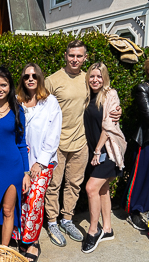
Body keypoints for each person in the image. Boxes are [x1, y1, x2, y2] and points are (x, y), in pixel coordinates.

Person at [44, 40, 122, 247]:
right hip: (57, 143)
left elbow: (105, 97)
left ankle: (67, 219)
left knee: (74, 185)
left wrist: (116, 110)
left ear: (85, 57)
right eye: (72, 55)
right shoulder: (52, 80)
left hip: (81, 144)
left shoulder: (88, 78)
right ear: (65, 55)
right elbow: (34, 102)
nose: (75, 59)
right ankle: (52, 222)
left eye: (79, 56)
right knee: (53, 185)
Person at [16, 63, 62, 262]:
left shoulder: (50, 102)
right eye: (26, 76)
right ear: (22, 80)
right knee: (20, 200)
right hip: (20, 162)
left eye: (34, 75)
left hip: (42, 161)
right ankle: (19, 238)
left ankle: (32, 241)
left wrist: (40, 163)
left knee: (34, 201)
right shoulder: (16, 102)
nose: (30, 79)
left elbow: (53, 135)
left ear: (40, 78)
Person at [0, 67, 30, 248]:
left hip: (13, 168)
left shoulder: (18, 110)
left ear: (10, 86)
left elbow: (21, 143)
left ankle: (4, 250)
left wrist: (26, 172)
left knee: (9, 211)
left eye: (3, 85)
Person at [81, 62, 126, 253]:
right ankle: (107, 229)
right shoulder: (86, 96)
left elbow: (108, 126)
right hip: (93, 151)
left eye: (99, 76)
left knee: (91, 187)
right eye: (92, 76)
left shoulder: (110, 94)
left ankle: (93, 230)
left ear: (104, 78)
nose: (95, 79)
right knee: (102, 189)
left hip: (107, 150)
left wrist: (98, 150)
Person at [122, 58, 149, 232]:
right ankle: (134, 211)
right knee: (140, 177)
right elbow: (148, 115)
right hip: (146, 140)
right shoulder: (142, 88)